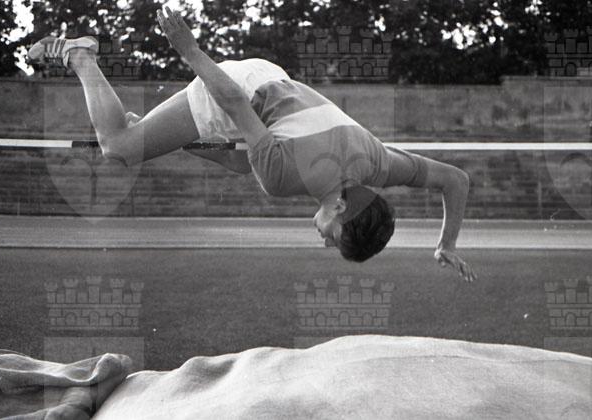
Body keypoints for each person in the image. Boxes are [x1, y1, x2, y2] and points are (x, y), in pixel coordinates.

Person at [28, 6, 476, 281]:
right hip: (239, 91)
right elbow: (233, 103)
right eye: (335, 239)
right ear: (340, 208)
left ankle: (160, 132)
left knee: (250, 163)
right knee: (120, 147)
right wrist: (189, 50)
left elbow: (455, 180)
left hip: (271, 78)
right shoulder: (286, 178)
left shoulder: (380, 165)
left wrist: (447, 244)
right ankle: (80, 55)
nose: (325, 242)